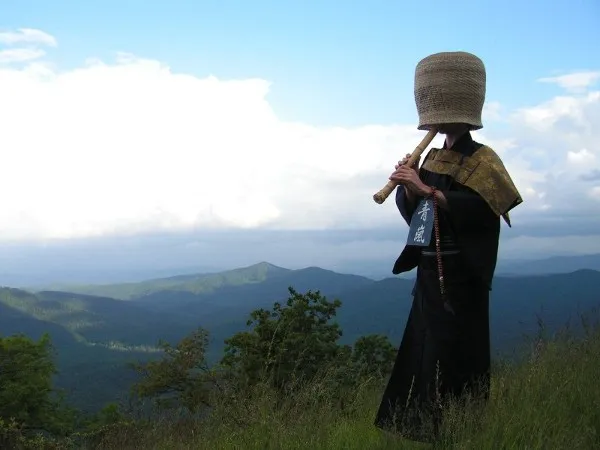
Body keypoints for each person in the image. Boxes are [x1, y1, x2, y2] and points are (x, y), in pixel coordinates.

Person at [373, 51, 523, 442]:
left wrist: (426, 189)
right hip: (429, 272)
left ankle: (459, 429)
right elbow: (417, 215)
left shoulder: (483, 160)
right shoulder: (434, 156)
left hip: (459, 278)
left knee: (455, 353)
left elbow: (484, 213)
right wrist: (408, 187)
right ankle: (422, 428)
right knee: (425, 351)